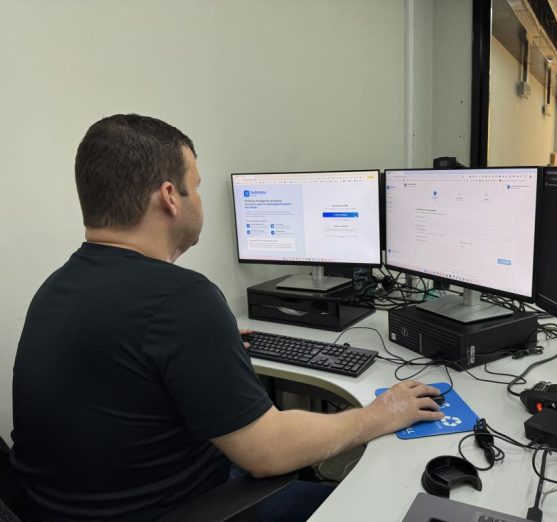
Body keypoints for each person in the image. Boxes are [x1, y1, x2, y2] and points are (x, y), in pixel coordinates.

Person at [10, 114, 444, 521]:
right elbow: (269, 453)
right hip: (190, 509)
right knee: (376, 504)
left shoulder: (56, 287)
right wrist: (381, 413)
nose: (199, 199)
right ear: (169, 197)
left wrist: (206, 354)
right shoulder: (182, 299)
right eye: (195, 186)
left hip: (63, 510)